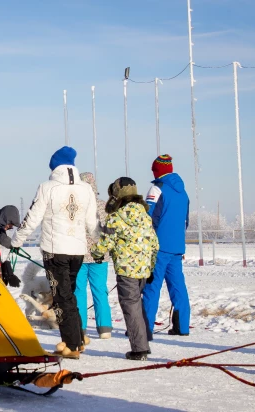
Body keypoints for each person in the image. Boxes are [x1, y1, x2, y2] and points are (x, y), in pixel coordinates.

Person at [11, 146, 99, 360]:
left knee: (61, 297)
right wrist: (98, 246)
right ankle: (79, 337)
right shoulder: (86, 189)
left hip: (55, 250)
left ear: (54, 167)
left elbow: (33, 216)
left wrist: (17, 240)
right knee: (68, 294)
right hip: (78, 251)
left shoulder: (47, 187)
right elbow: (92, 222)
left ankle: (70, 345)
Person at [91, 177, 158, 361]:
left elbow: (106, 242)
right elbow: (154, 244)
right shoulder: (145, 215)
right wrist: (151, 267)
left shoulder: (116, 217)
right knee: (138, 305)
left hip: (126, 270)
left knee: (131, 307)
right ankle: (144, 341)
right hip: (144, 269)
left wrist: (96, 253)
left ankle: (139, 349)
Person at [142, 154, 191, 336]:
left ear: (157, 170)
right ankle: (182, 327)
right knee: (178, 287)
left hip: (158, 248)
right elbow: (186, 221)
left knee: (151, 287)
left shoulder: (157, 189)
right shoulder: (183, 192)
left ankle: (145, 328)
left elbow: (148, 219)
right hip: (177, 248)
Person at [75, 172, 113, 341]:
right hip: (100, 256)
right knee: (100, 291)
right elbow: (110, 231)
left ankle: (81, 328)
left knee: (79, 292)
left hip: (79, 255)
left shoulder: (75, 207)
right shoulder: (104, 207)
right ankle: (104, 328)